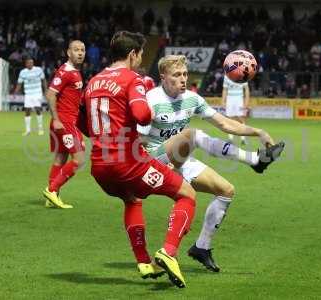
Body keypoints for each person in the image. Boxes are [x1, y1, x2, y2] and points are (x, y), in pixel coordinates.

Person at [138, 55, 284, 272]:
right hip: (152, 160)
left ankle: (201, 247)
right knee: (193, 134)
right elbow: (137, 140)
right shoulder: (151, 100)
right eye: (177, 75)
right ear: (163, 77)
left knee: (226, 190)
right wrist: (157, 166)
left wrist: (258, 131)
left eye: (185, 74)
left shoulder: (192, 99)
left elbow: (224, 123)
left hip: (179, 158)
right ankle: (254, 160)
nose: (183, 79)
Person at [83, 31, 196, 288]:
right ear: (133, 54)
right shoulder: (132, 79)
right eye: (140, 54)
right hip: (128, 163)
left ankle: (144, 262)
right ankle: (168, 251)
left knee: (131, 199)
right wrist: (143, 93)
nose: (140, 59)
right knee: (186, 194)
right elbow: (143, 116)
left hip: (99, 165)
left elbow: (84, 124)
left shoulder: (93, 81)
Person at [42, 40, 86, 209]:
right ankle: (52, 190)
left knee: (61, 157)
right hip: (65, 123)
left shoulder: (75, 72)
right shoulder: (65, 71)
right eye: (76, 50)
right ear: (69, 53)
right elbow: (50, 94)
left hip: (67, 121)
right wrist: (57, 119)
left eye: (82, 50)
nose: (80, 53)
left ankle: (52, 197)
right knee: (79, 159)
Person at [14, 57, 46, 136]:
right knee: (27, 111)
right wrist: (15, 92)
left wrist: (46, 90)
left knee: (38, 109)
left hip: (37, 92)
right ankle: (28, 130)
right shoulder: (23, 72)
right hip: (28, 94)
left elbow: (43, 80)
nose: (30, 64)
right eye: (29, 63)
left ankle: (40, 129)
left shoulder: (38, 70)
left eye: (32, 62)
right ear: (26, 64)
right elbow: (19, 83)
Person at [222, 73, 250, 145]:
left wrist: (246, 101)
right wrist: (223, 101)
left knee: (241, 119)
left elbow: (246, 89)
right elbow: (225, 89)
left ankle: (243, 138)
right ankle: (230, 138)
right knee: (230, 119)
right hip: (230, 99)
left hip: (239, 99)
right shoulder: (227, 75)